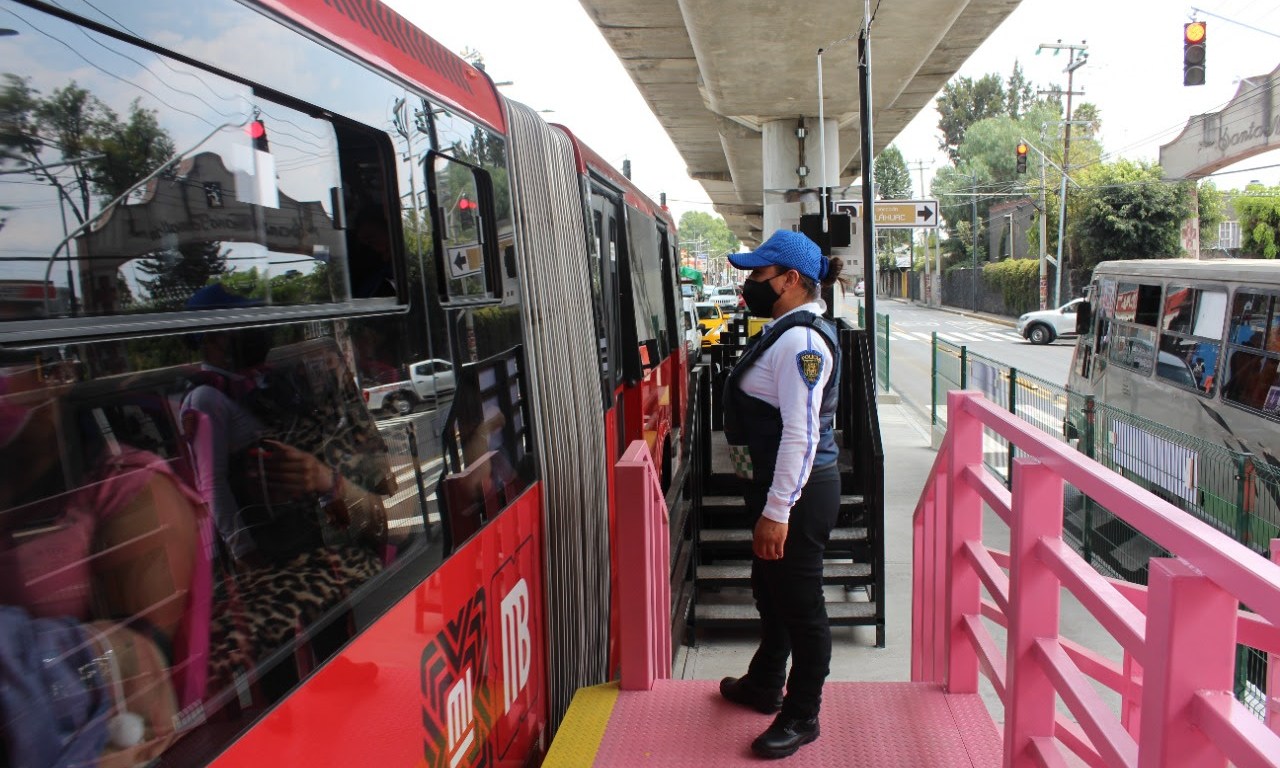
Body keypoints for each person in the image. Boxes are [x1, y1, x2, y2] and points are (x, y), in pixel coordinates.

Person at [716, 229, 844, 760]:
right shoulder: (783, 330)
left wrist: (776, 511)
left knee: (801, 604)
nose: (749, 284)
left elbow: (802, 433)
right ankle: (766, 681)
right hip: (775, 489)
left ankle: (802, 714)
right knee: (769, 588)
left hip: (797, 494)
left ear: (791, 280)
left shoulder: (802, 343)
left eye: (758, 275)